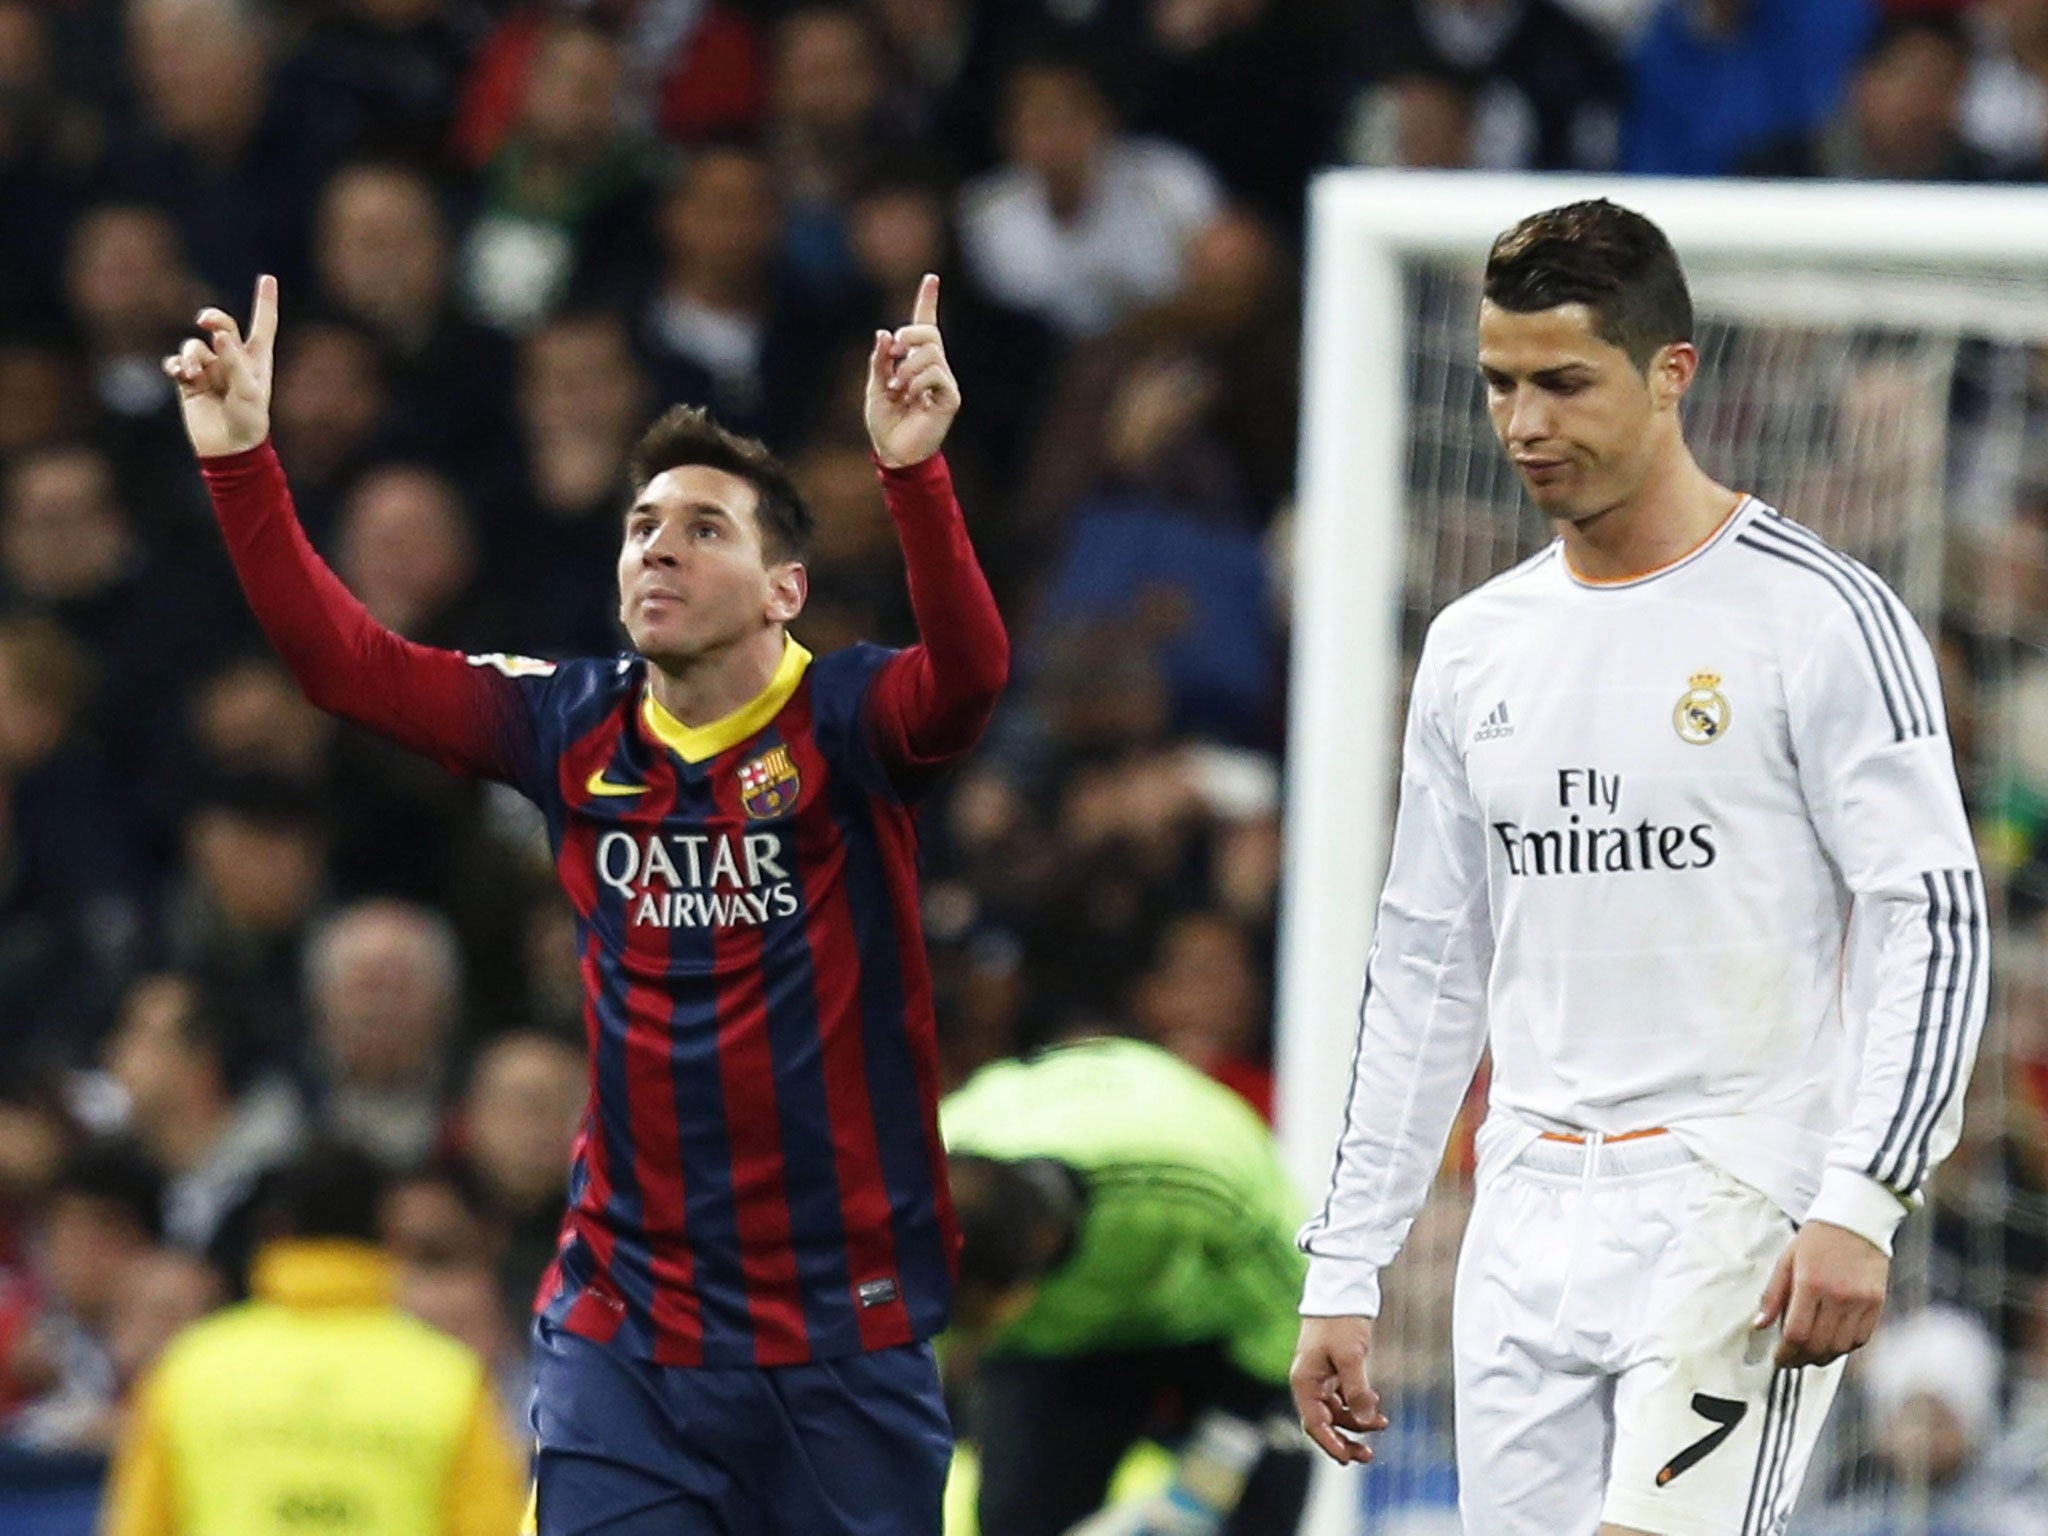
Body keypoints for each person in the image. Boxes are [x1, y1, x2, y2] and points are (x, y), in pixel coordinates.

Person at [161, 268, 1007, 1533]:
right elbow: (347, 667)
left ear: (785, 591)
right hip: (628, 1331)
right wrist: (240, 462)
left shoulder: (847, 720)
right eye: (641, 525)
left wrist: (914, 478)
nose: (658, 543)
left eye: (705, 528)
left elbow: (971, 679)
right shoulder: (569, 723)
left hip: (842, 1327)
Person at [1289, 199, 1987, 1536]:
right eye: (1500, 385)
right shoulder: (1476, 648)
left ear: (1673, 372)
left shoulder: (1820, 616)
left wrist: (1864, 1198)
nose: (1525, 422)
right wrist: (1349, 1261)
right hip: (1526, 1202)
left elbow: (1933, 919)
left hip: (1736, 1188)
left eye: (1565, 381)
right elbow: (1427, 971)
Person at [943, 1035, 1311, 1536]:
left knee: (1260, 1499)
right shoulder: (924, 1187)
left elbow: (1296, 1289)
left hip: (1216, 1331)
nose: (966, 1344)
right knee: (1016, 1519)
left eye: (974, 1326)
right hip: (1055, 1349)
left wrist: (1225, 1445)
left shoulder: (1191, 1175)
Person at [96, 1141, 526, 1536]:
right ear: (385, 1230)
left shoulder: (189, 1367)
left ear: (276, 1230)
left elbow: (138, 1527)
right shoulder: (449, 1377)